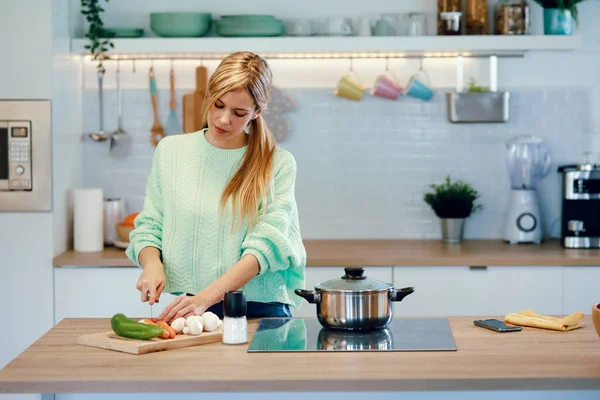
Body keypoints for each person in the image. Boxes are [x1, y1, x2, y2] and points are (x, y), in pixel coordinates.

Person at [125, 51, 306, 324]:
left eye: (239, 112)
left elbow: (265, 247)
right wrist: (151, 265)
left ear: (257, 112)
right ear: (208, 97)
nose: (223, 119)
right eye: (218, 105)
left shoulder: (277, 164)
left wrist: (206, 297)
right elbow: (151, 225)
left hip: (261, 310)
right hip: (194, 307)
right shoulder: (171, 152)